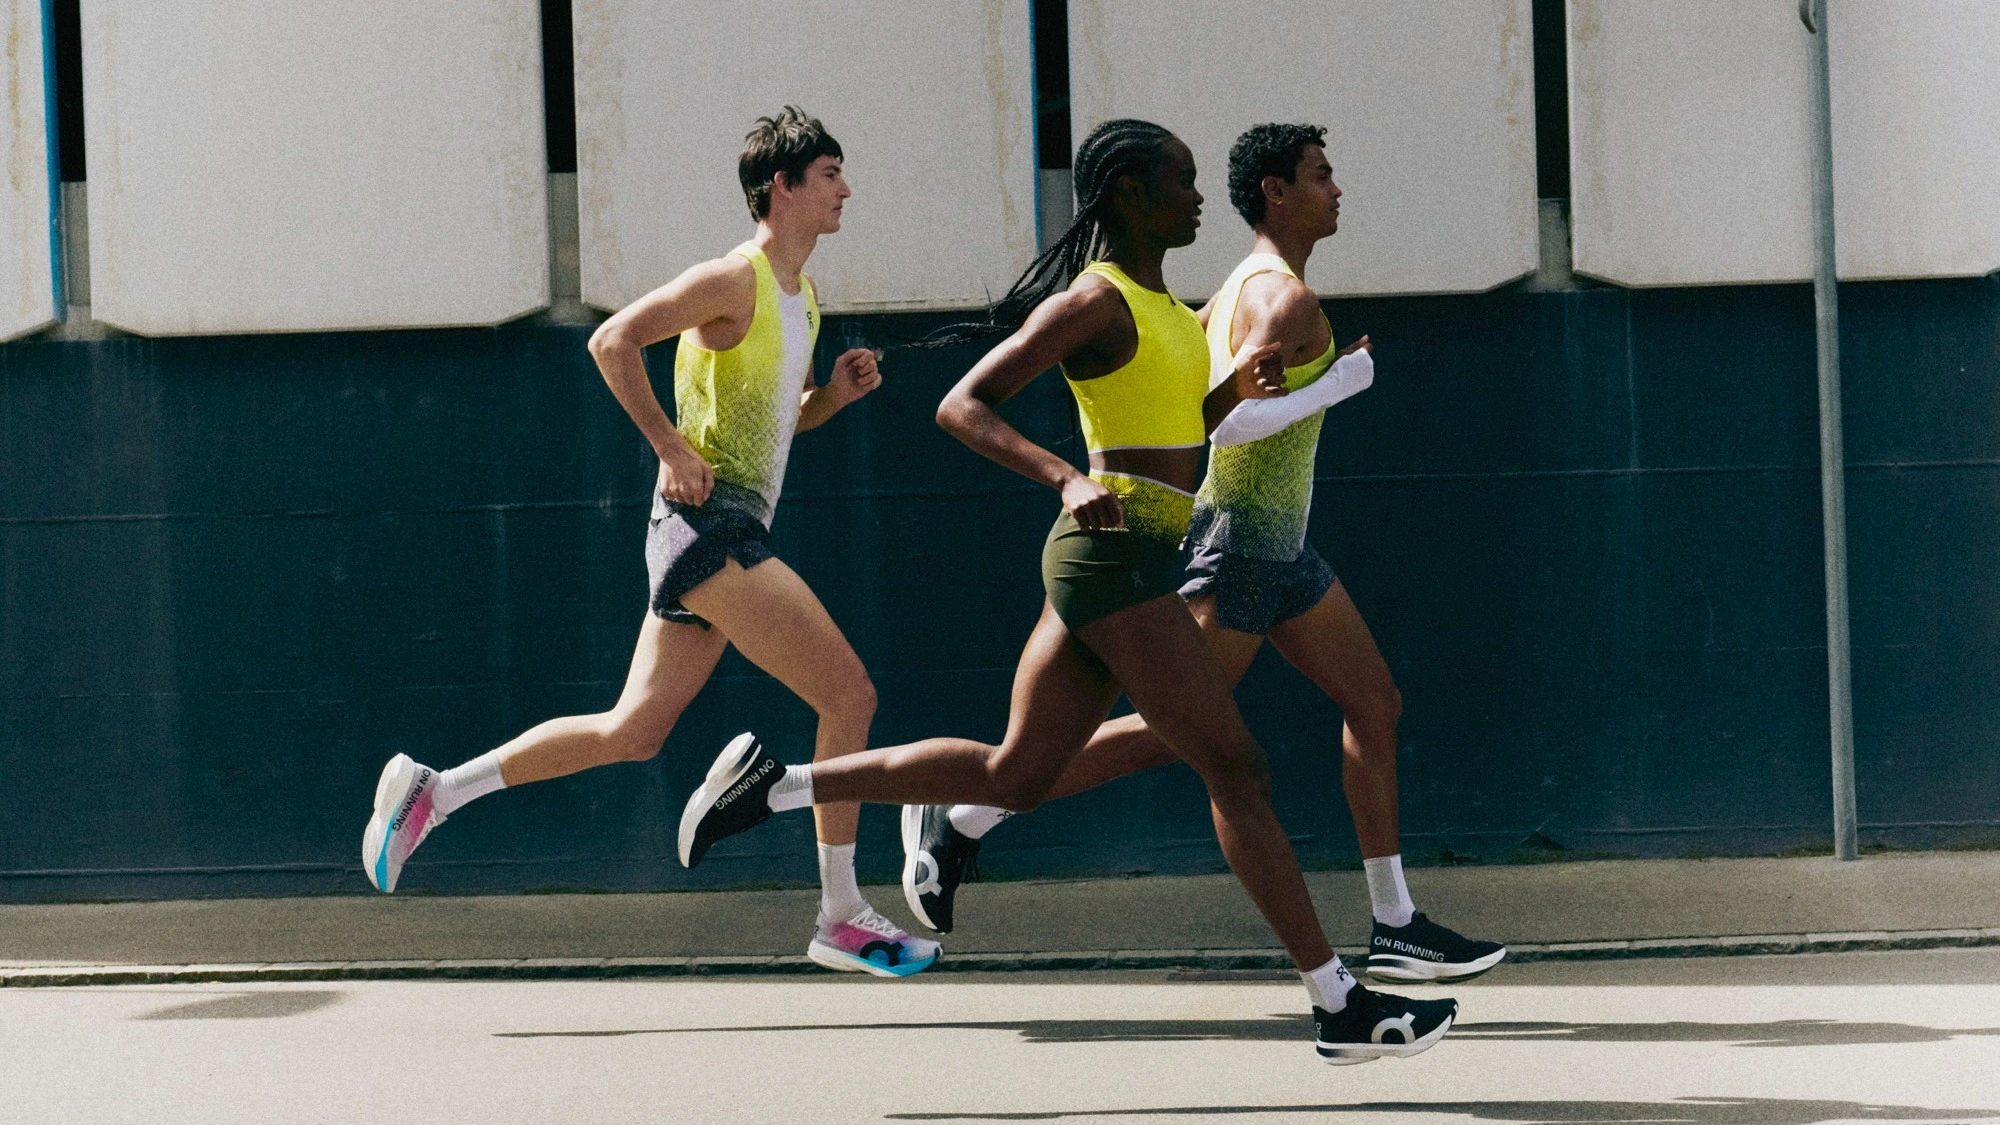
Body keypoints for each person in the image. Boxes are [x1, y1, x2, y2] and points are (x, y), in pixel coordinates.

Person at [677, 118, 1456, 1064]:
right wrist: (1064, 478)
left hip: (1127, 562)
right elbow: (962, 404)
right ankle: (1339, 1002)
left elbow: (1179, 429)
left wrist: (1232, 393)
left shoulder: (1173, 312)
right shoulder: (1098, 299)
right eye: (1180, 181)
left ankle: (775, 788)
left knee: (1017, 774)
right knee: (1237, 768)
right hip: (1109, 561)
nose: (1199, 197)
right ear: (1129, 190)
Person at [901, 123, 1507, 985]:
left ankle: (1396, 919)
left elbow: (1207, 406)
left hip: (1281, 545)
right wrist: (1338, 383)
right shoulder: (1274, 298)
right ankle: (967, 815)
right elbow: (1230, 424)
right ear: (1275, 192)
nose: (1338, 191)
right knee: (1180, 738)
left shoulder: (1234, 290)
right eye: (1321, 176)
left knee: (1374, 700)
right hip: (1241, 543)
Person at [361, 107, 940, 979]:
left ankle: (435, 792)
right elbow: (610, 339)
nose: (845, 189)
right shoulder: (730, 279)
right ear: (782, 187)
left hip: (718, 533)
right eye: (829, 174)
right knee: (849, 693)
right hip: (709, 531)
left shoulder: (803, 299)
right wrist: (669, 446)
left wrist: (835, 399)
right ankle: (840, 911)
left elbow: (784, 421)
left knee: (632, 730)